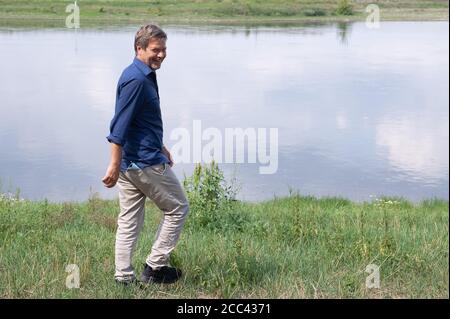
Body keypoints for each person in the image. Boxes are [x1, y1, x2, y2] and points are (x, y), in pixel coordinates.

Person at [102, 24, 189, 285]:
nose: (161, 54)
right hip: (144, 163)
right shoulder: (137, 80)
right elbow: (118, 126)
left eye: (163, 49)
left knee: (129, 221)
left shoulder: (140, 73)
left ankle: (123, 278)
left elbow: (139, 120)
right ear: (139, 48)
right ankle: (155, 268)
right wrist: (114, 164)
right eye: (155, 50)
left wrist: (160, 145)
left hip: (136, 158)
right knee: (178, 208)